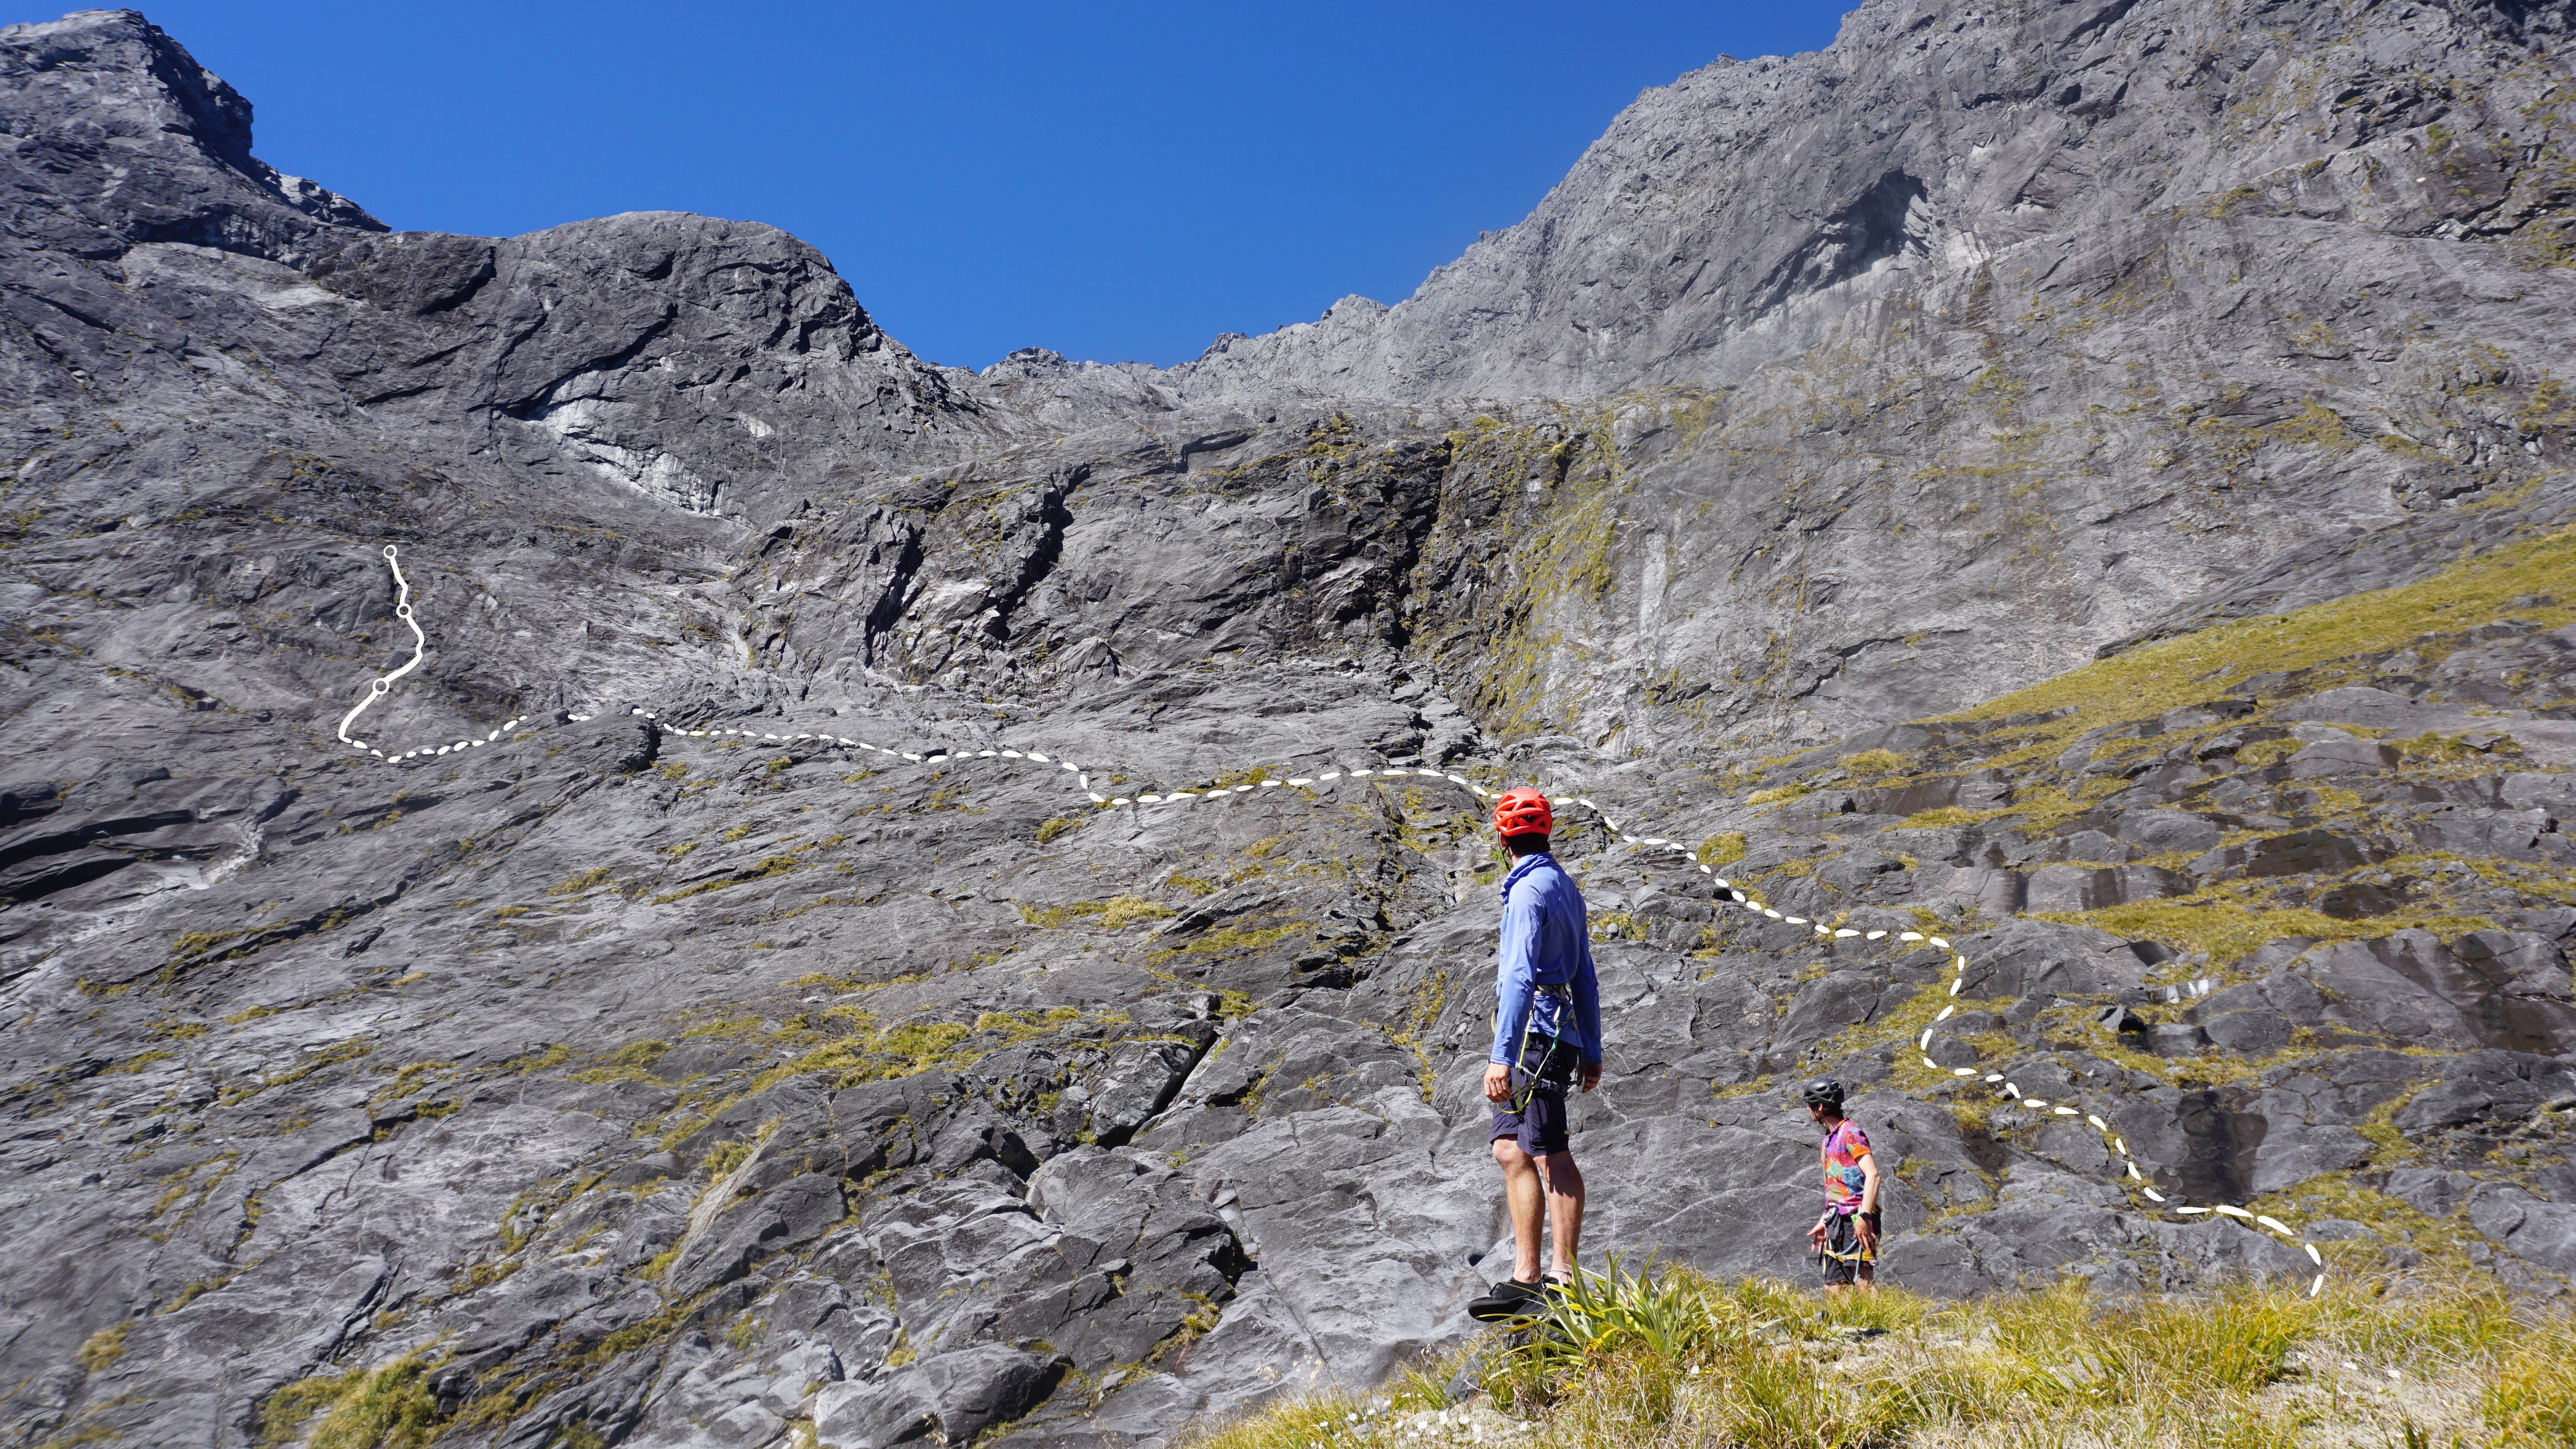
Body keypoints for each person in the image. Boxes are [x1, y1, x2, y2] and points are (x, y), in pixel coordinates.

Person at [1467, 787, 1604, 1323]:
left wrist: (1502, 1055)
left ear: (1503, 838)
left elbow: (1521, 976)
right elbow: (1586, 977)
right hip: (1554, 1031)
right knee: (1509, 1148)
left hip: (1535, 1036)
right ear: (1546, 834)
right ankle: (1527, 1276)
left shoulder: (1529, 893)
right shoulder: (1565, 888)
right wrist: (1591, 1047)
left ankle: (1562, 1278)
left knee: (1548, 1150)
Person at [1801, 1078, 1881, 1292]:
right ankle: (1847, 1325)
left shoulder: (1851, 1134)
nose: (1808, 1109)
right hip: (1836, 1219)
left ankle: (1879, 1324)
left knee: (1862, 1279)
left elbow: (1873, 1175)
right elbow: (1836, 1186)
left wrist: (1865, 1217)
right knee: (1833, 1286)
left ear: (1820, 1107)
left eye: (1811, 1105)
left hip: (1857, 1216)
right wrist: (1824, 1220)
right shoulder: (1828, 1138)